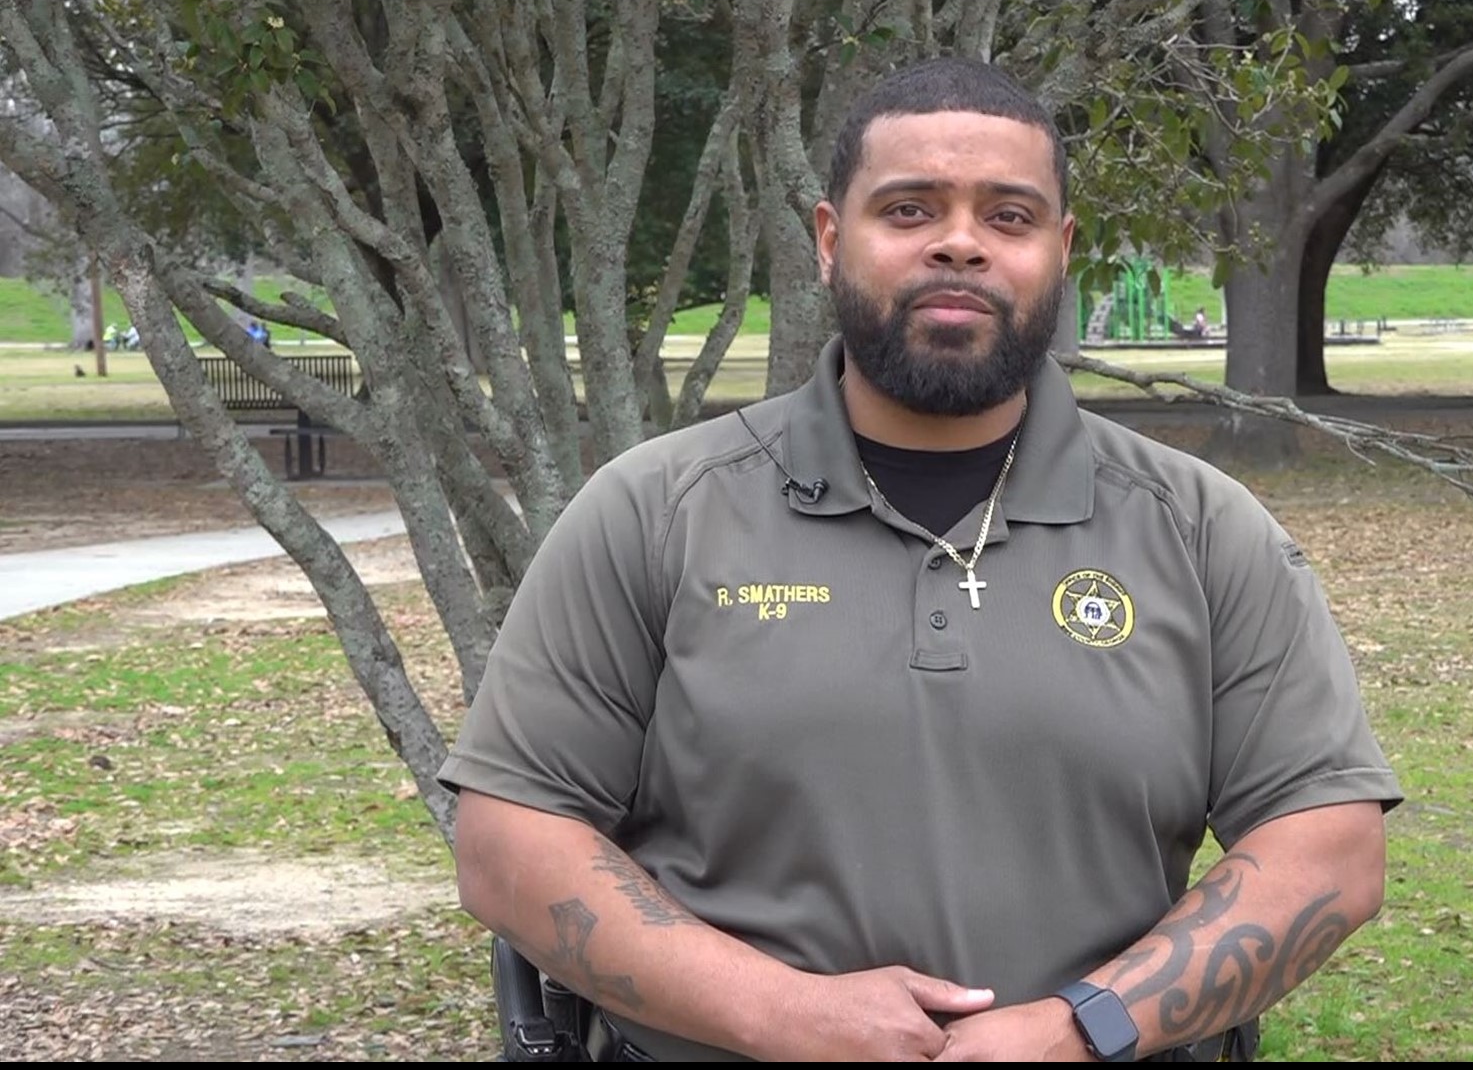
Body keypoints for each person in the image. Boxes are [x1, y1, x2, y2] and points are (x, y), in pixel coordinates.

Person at [438, 56, 1403, 1063]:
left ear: (1061, 250)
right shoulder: (656, 511)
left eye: (1009, 217)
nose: (959, 244)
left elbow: (1328, 850)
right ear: (828, 240)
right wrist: (778, 1013)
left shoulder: (1200, 527)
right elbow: (510, 844)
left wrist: (1083, 1027)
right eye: (908, 210)